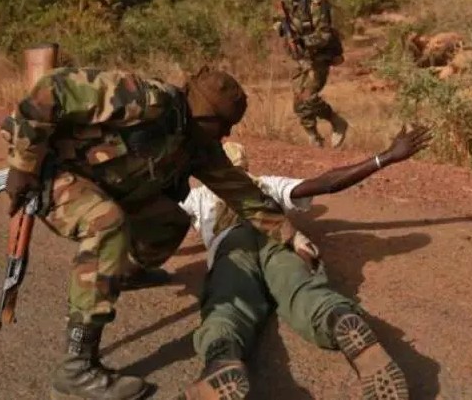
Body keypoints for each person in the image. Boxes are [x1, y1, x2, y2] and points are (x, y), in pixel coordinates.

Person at [1, 66, 295, 400]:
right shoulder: (143, 99)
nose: (225, 136)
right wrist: (23, 165)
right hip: (53, 175)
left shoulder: (196, 144)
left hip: (106, 185)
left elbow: (241, 193)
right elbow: (52, 89)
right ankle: (76, 368)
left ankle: (123, 271)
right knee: (106, 223)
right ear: (204, 115)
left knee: (169, 220)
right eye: (222, 126)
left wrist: (290, 235)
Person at [178, 125, 432, 400]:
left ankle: (222, 355)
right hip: (279, 238)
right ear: (246, 166)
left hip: (232, 246)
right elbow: (327, 183)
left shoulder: (201, 195)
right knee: (304, 290)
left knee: (228, 304)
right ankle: (337, 319)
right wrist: (386, 157)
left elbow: (158, 217)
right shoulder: (265, 183)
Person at [274, 0, 349, 148]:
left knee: (308, 97)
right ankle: (314, 136)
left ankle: (336, 121)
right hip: (299, 57)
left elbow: (325, 35)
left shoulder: (316, 3)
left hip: (318, 55)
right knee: (298, 103)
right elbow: (277, 20)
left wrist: (303, 40)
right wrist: (282, 28)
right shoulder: (284, 0)